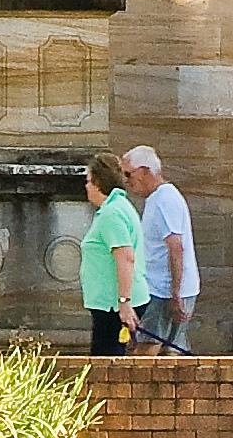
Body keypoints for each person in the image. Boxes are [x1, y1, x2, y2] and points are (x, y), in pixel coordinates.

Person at [127, 144, 199, 354]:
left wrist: (175, 294)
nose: (126, 181)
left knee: (147, 348)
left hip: (163, 291)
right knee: (170, 351)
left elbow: (176, 247)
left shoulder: (165, 199)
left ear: (144, 171)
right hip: (164, 289)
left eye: (128, 174)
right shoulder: (158, 198)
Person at [76, 150, 150, 355]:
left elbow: (125, 257)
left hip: (113, 305)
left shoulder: (112, 214)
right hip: (110, 303)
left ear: (99, 183)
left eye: (88, 181)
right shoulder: (116, 208)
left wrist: (124, 303)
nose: (86, 186)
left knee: (105, 360)